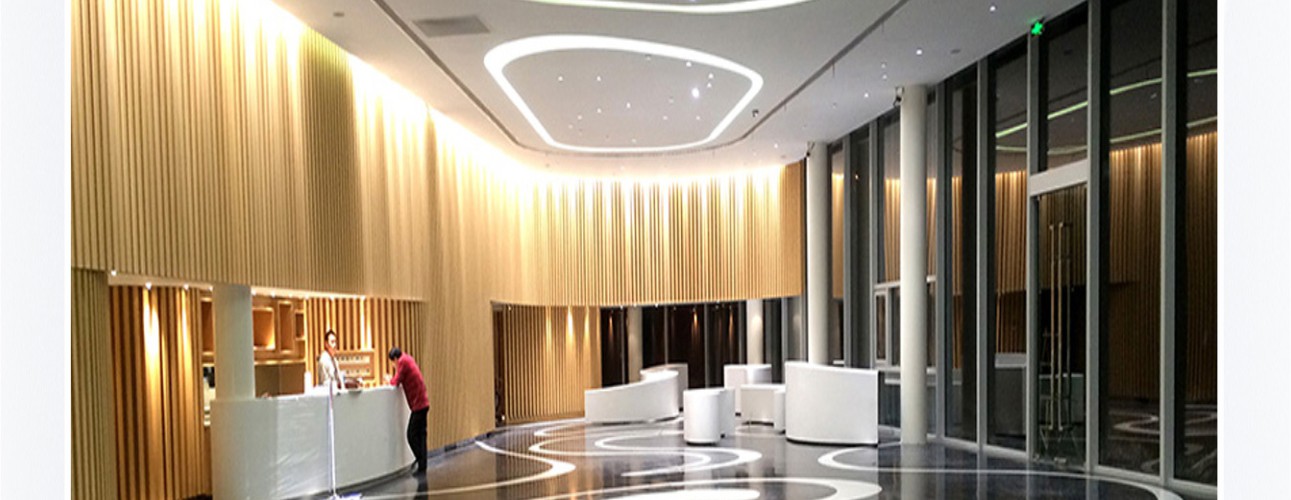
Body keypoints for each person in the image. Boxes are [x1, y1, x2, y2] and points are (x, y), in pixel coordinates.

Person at [388, 347, 429, 474]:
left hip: (418, 405)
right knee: (421, 435)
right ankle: (422, 465)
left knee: (411, 435)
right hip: (423, 402)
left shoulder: (402, 362)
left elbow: (396, 381)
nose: (394, 366)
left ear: (395, 359)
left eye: (393, 363)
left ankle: (420, 459)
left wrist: (388, 380)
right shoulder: (408, 358)